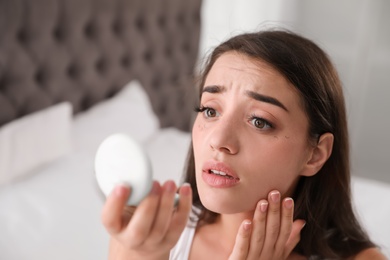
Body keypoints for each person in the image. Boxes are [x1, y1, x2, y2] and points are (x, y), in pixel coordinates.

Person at [101, 29, 386, 259]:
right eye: (211, 111)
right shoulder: (146, 237)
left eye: (260, 121)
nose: (219, 141)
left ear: (314, 155)